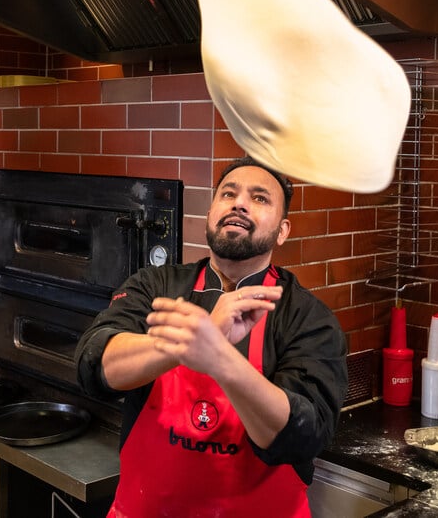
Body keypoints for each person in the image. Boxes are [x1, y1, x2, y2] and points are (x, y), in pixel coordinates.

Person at [76, 156, 348, 517]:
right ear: (210, 212)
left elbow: (301, 435)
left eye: (260, 198)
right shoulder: (156, 285)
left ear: (282, 231)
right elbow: (94, 365)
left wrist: (221, 359)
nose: (239, 203)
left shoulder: (307, 317)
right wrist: (183, 343)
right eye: (228, 194)